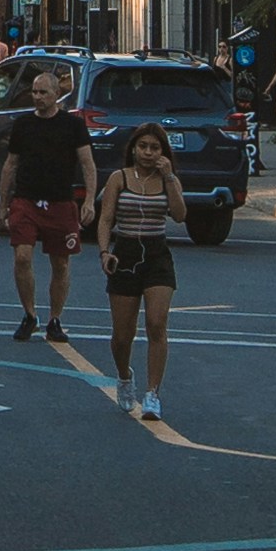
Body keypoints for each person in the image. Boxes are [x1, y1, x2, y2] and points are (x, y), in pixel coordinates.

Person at [0, 62, 97, 346]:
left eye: (43, 92)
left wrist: (89, 200)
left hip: (61, 202)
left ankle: (55, 318)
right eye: (34, 92)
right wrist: (3, 205)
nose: (37, 97)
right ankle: (29, 314)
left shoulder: (73, 125)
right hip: (26, 199)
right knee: (22, 257)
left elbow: (87, 164)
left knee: (61, 264)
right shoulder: (24, 124)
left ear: (56, 94)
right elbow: (10, 165)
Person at [98, 126, 187, 414]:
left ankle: (152, 393)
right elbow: (106, 219)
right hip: (125, 253)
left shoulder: (166, 179)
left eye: (155, 148)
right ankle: (124, 376)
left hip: (157, 256)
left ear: (163, 152)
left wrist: (170, 176)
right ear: (134, 149)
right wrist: (104, 252)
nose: (149, 153)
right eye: (143, 147)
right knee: (122, 335)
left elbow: (180, 214)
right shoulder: (118, 178)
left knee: (157, 323)